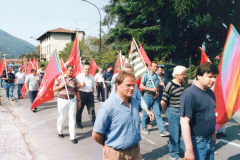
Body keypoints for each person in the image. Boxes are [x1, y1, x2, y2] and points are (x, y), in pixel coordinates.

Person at [93, 71, 149, 160]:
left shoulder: (134, 102)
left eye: (133, 85)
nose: (132, 88)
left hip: (135, 151)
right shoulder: (108, 107)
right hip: (116, 153)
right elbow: (96, 134)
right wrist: (109, 146)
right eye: (128, 85)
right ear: (118, 85)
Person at [180, 62, 219, 160]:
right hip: (197, 142)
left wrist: (213, 135)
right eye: (210, 77)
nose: (213, 80)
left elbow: (211, 115)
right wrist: (189, 150)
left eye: (215, 77)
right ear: (199, 76)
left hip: (209, 139)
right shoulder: (189, 94)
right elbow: (184, 122)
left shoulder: (210, 92)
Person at [161, 65, 186, 160]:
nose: (184, 76)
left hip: (182, 112)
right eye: (183, 74)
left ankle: (187, 152)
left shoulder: (182, 84)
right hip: (173, 111)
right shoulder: (169, 85)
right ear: (177, 75)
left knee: (184, 133)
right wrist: (168, 111)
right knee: (174, 134)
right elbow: (163, 101)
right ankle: (174, 154)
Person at [53, 65, 81, 144]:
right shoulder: (59, 78)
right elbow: (54, 89)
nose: (72, 72)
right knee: (61, 117)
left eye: (73, 71)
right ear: (66, 70)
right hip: (62, 100)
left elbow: (77, 91)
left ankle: (72, 136)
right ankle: (60, 131)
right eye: (70, 71)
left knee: (72, 118)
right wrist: (61, 85)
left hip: (72, 100)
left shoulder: (74, 79)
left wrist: (79, 101)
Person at [140, 61, 169, 136]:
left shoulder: (156, 75)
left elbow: (157, 86)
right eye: (154, 66)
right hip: (147, 96)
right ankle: (144, 128)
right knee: (146, 114)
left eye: (156, 66)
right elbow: (141, 86)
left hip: (155, 97)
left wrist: (158, 93)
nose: (155, 68)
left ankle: (162, 131)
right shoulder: (146, 75)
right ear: (150, 66)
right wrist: (151, 90)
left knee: (158, 114)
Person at [76, 64, 96, 129]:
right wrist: (80, 85)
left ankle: (95, 123)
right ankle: (79, 124)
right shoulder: (79, 77)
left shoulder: (92, 77)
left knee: (91, 110)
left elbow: (93, 87)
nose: (87, 70)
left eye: (88, 69)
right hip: (82, 94)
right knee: (79, 110)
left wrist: (92, 94)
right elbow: (75, 86)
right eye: (86, 69)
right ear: (83, 69)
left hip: (90, 95)